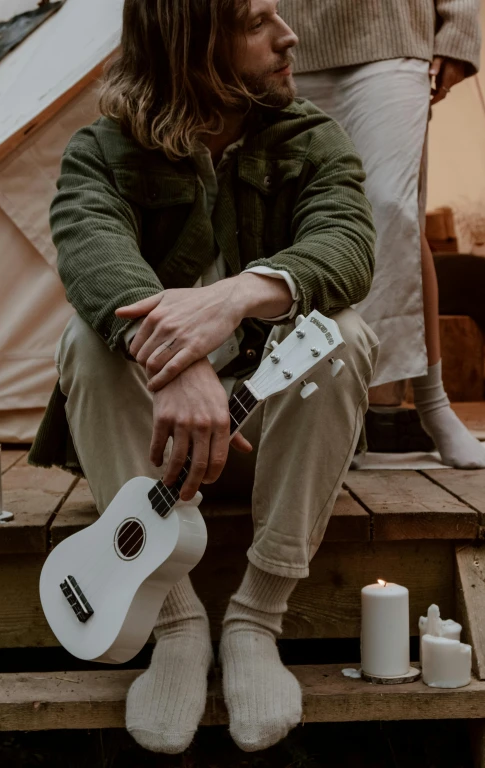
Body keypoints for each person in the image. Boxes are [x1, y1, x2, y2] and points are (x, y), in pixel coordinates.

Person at [28, 0, 379, 754]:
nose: (288, 36)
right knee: (84, 343)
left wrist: (233, 298)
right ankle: (176, 624)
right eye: (257, 21)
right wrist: (176, 362)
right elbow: (90, 251)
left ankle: (256, 618)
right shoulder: (100, 149)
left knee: (343, 335)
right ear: (189, 42)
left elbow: (346, 243)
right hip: (151, 452)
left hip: (272, 435)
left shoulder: (310, 136)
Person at [281, 0, 484, 468]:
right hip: (285, 35)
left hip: (393, 31)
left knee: (392, 209)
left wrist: (456, 27)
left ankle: (433, 405)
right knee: (294, 220)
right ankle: (328, 415)